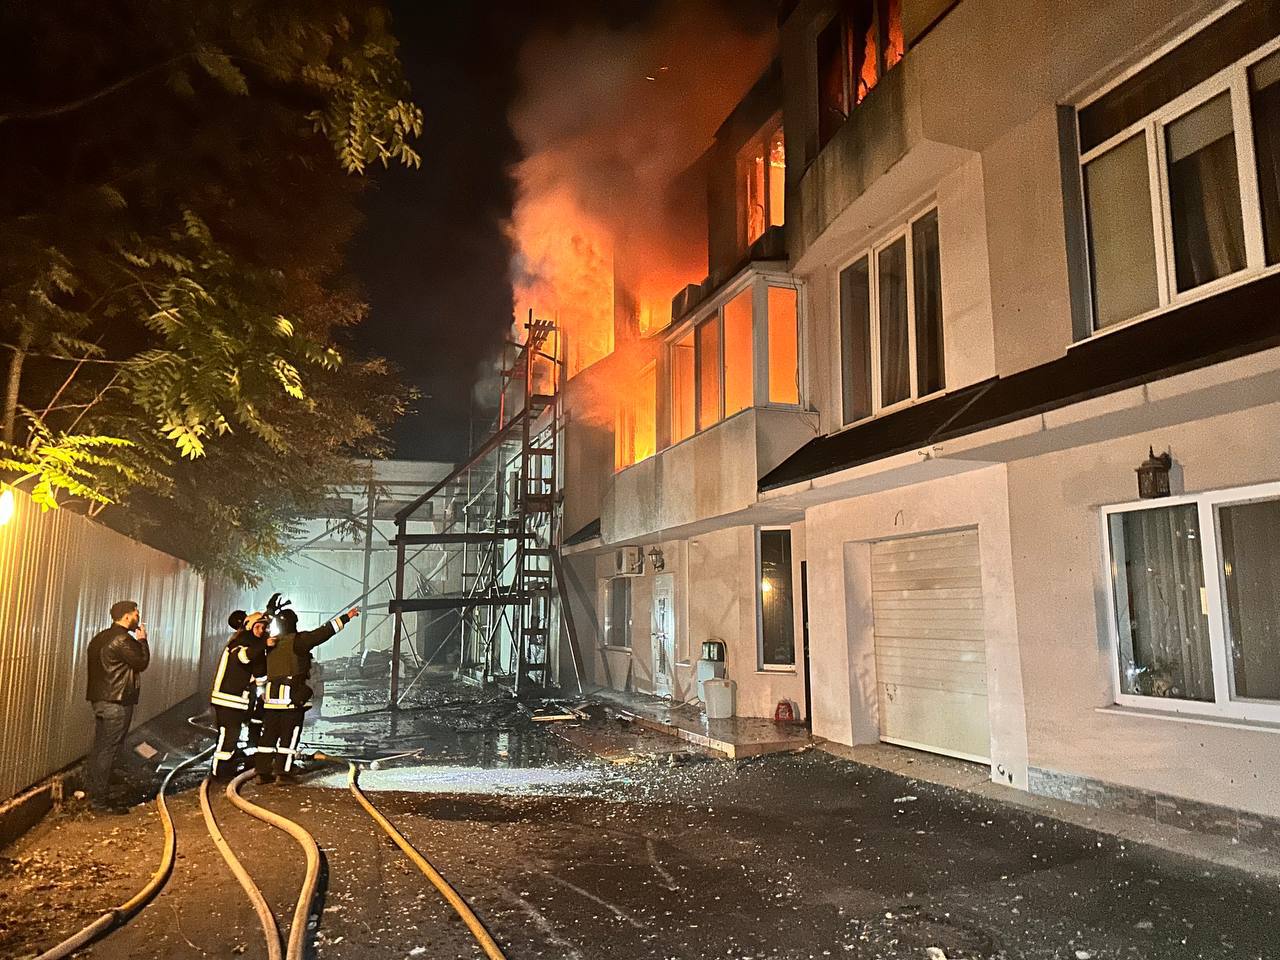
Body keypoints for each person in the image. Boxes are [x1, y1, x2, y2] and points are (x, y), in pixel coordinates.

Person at [256, 605, 358, 783]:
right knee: (289, 735)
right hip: (290, 698)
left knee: (269, 735)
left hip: (271, 699)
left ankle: (262, 773)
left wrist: (269, 613)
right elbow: (324, 632)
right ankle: (283, 773)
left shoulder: (270, 643)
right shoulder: (298, 641)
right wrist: (347, 617)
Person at [83, 600, 150, 811]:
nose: (138, 619)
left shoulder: (99, 638)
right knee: (108, 750)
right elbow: (141, 663)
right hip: (117, 702)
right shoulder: (123, 639)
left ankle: (96, 792)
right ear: (127, 616)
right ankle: (100, 802)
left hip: (100, 700)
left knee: (100, 748)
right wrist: (143, 641)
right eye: (136, 615)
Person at [208, 609, 268, 778]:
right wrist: (264, 643)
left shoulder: (252, 646)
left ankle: (226, 767)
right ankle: (219, 773)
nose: (261, 632)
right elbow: (244, 657)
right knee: (227, 738)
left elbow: (259, 674)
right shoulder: (239, 645)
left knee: (231, 738)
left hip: (236, 701)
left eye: (263, 628)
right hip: (228, 701)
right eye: (258, 628)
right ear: (249, 627)